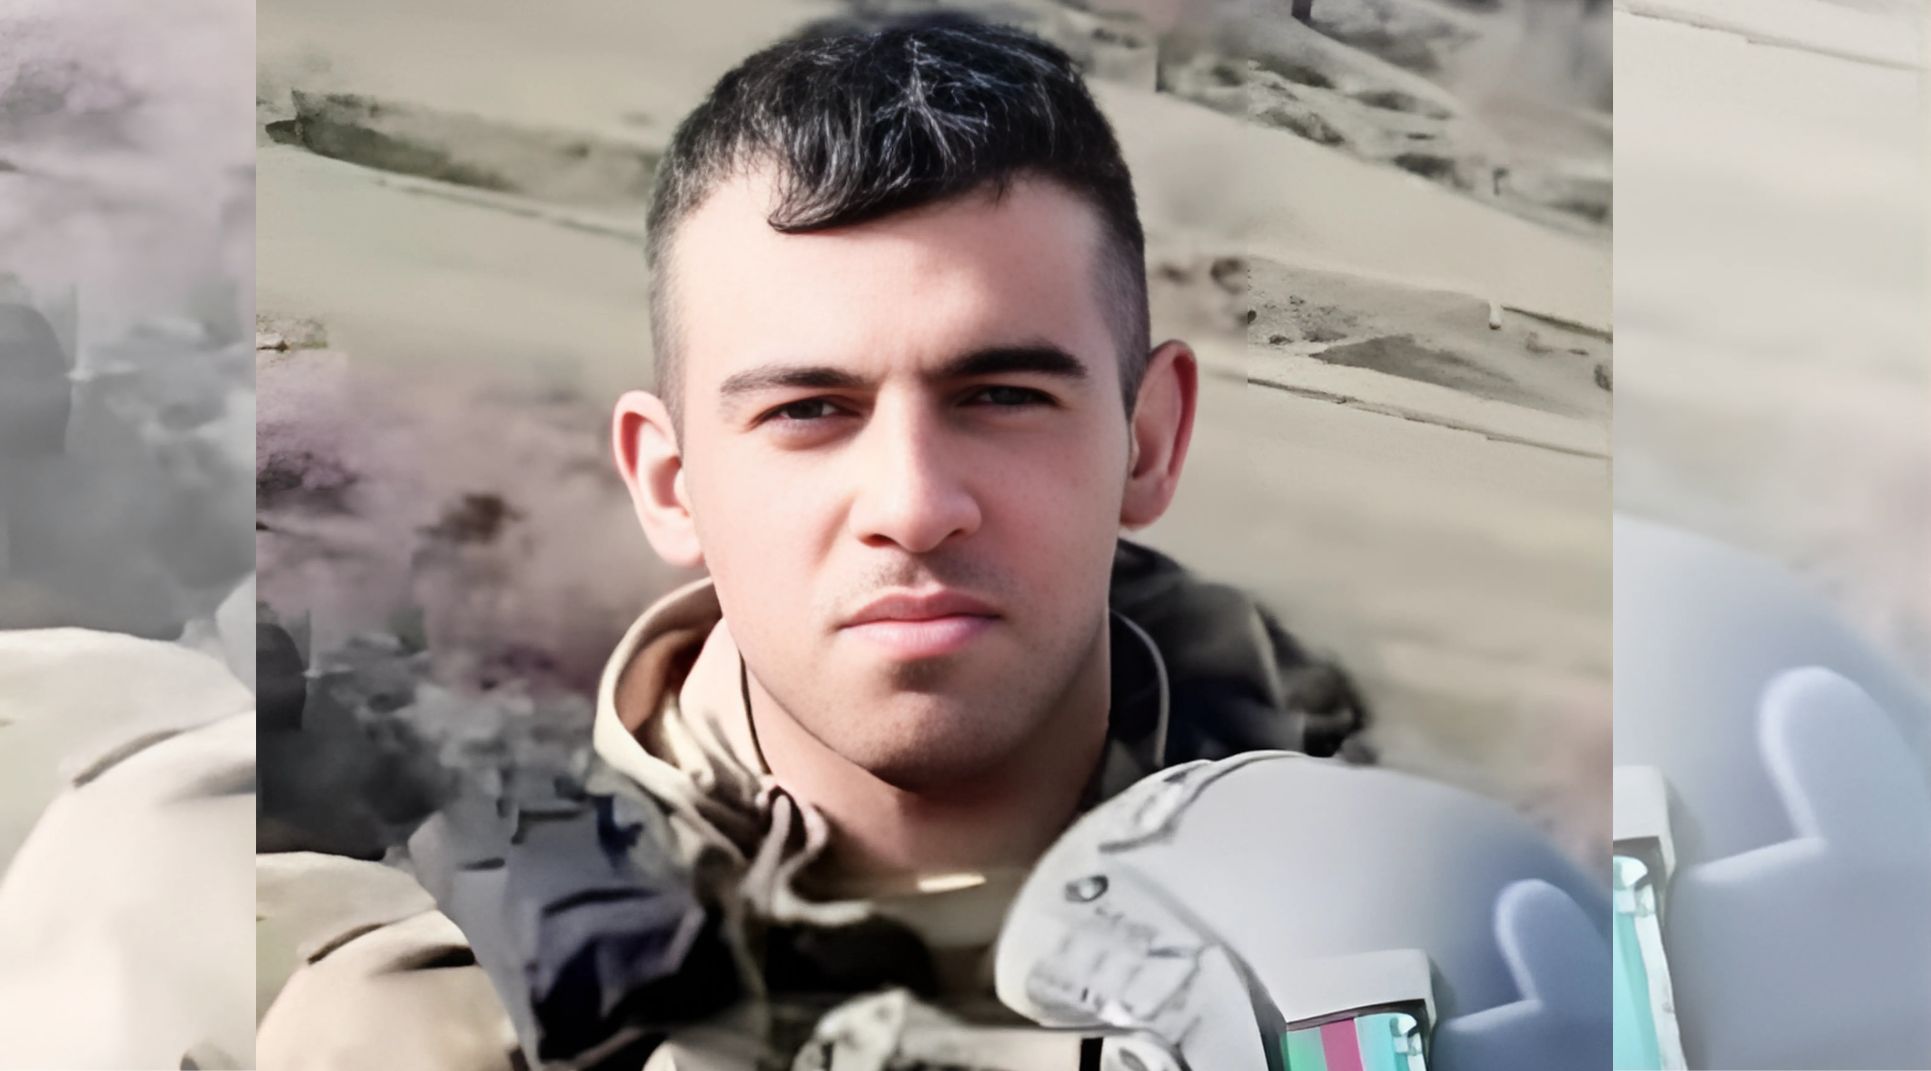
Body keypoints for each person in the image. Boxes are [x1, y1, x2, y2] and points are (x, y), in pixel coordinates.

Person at [256, 14, 1364, 1069]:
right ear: (669, 483)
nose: (913, 505)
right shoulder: (428, 1023)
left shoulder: (1377, 940)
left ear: (1148, 441)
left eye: (1001, 396)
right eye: (808, 410)